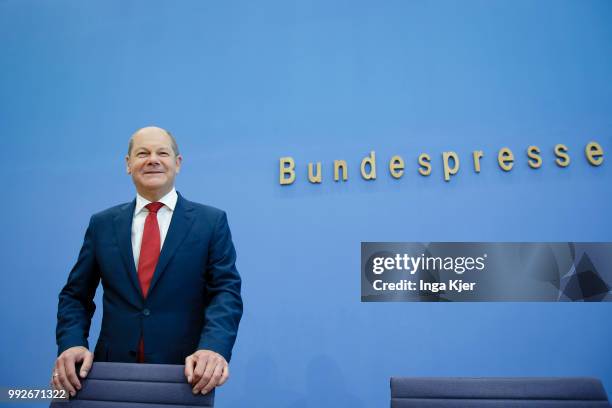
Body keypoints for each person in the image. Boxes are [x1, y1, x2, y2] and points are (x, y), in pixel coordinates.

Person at [52, 126, 243, 397]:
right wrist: (71, 343)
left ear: (177, 164)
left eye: (162, 152)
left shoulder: (210, 223)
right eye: (142, 153)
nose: (152, 159)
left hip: (185, 376)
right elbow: (74, 296)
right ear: (128, 165)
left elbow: (225, 293)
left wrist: (213, 347)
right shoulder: (102, 224)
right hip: (110, 375)